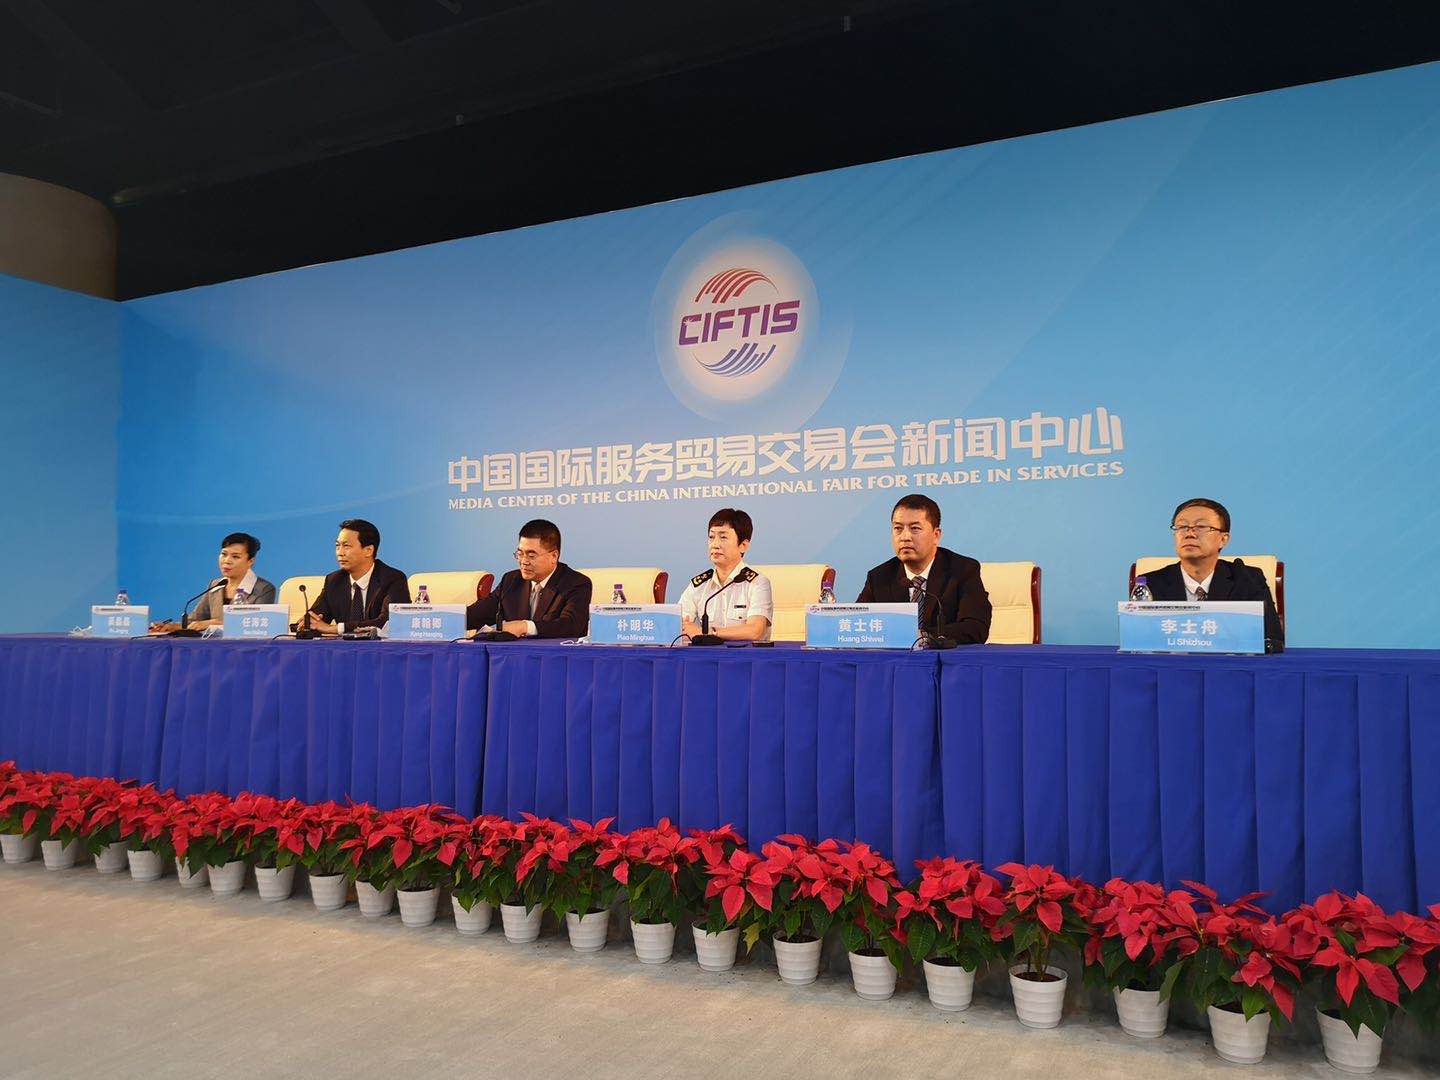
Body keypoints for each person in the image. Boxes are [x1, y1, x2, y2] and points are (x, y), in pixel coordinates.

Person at [1139, 497, 1284, 649]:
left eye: (1201, 526)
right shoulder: (1150, 583)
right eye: (1182, 527)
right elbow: (1139, 641)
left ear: (1223, 539)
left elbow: (1272, 639)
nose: (1189, 534)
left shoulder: (1247, 578)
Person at [856, 493, 991, 644]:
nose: (905, 537)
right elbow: (857, 626)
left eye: (915, 528)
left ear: (936, 535)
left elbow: (976, 628)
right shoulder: (879, 577)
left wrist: (922, 636)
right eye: (898, 528)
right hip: (895, 658)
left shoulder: (963, 570)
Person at [465, 519, 591, 638]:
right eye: (520, 554)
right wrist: (454, 617)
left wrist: (525, 626)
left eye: (531, 556)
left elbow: (571, 626)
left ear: (554, 556)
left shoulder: (576, 583)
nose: (524, 561)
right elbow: (478, 614)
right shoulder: (511, 580)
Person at [679, 508, 774, 642]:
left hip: (747, 655)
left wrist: (707, 633)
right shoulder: (699, 585)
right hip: (708, 655)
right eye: (711, 537)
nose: (715, 544)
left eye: (723, 537)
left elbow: (755, 631)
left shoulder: (758, 583)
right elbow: (678, 625)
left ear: (743, 545)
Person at [303, 519, 410, 633]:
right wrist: (307, 623)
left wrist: (336, 628)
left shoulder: (393, 579)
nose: (340, 552)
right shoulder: (334, 580)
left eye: (346, 546)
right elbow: (315, 618)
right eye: (337, 546)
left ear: (368, 550)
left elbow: (390, 622)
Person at [186, 533, 277, 628]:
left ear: (250, 561)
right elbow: (193, 621)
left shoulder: (264, 589)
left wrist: (214, 623)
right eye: (224, 554)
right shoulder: (215, 585)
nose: (227, 561)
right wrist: (176, 626)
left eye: (235, 557)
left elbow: (257, 625)